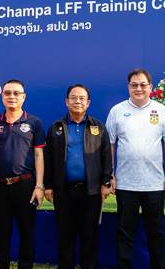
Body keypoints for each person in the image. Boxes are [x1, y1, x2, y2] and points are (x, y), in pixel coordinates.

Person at [105, 68, 165, 269]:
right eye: (134, 85)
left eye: (142, 85)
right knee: (124, 233)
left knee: (156, 233)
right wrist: (110, 174)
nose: (138, 88)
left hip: (154, 185)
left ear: (150, 87)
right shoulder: (117, 111)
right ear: (129, 87)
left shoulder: (161, 110)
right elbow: (110, 145)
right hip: (126, 184)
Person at [43, 84, 114, 269]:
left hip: (90, 192)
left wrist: (107, 180)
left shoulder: (97, 127)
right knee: (65, 237)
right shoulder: (56, 128)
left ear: (88, 103)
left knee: (89, 236)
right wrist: (48, 185)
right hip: (63, 192)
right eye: (73, 97)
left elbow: (106, 155)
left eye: (82, 98)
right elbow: (48, 159)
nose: (77, 101)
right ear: (67, 102)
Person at [0, 79, 45, 269]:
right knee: (2, 233)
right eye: (7, 93)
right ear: (2, 98)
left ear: (23, 97)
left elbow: (39, 154)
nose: (12, 97)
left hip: (26, 186)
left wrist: (39, 186)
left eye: (17, 93)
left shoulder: (34, 122)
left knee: (27, 233)